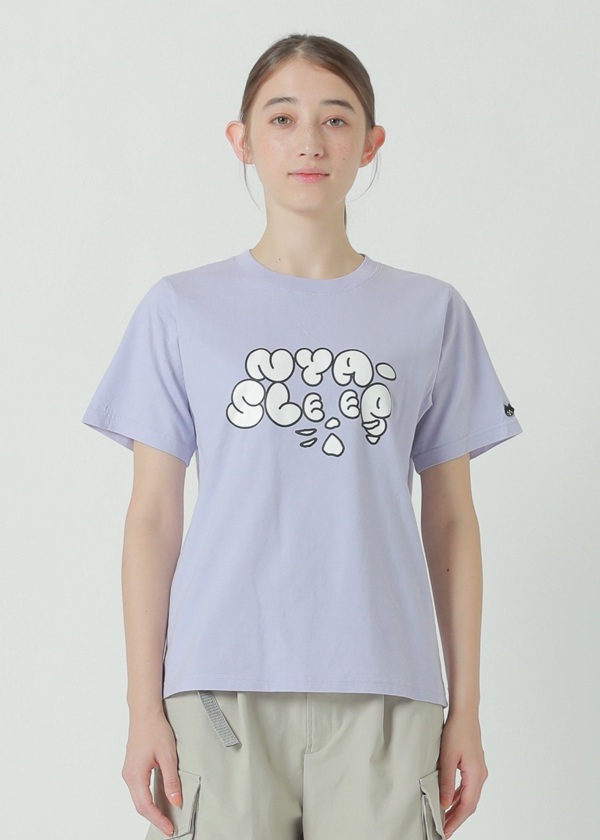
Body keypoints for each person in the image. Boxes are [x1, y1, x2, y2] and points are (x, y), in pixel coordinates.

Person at [81, 32, 523, 840]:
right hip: (220, 690)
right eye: (282, 118)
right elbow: (152, 518)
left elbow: (452, 519)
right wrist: (143, 707)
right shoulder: (181, 309)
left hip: (388, 690)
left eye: (336, 119)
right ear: (242, 141)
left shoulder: (431, 312)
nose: (310, 142)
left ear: (371, 143)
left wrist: (467, 709)